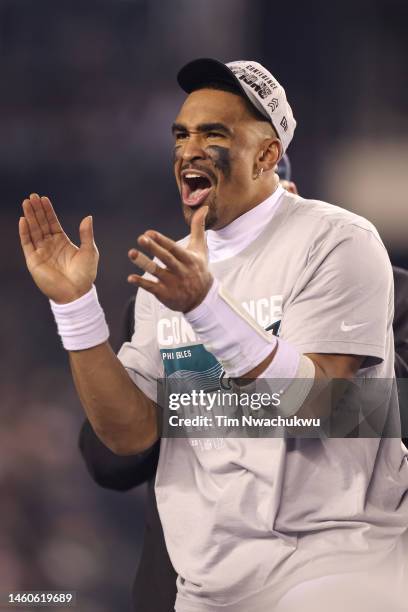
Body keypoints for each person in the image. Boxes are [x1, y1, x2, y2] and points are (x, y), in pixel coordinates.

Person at [19, 58, 408, 611]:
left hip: (334, 559)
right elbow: (126, 437)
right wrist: (76, 307)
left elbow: (327, 407)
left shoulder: (337, 241)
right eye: (181, 134)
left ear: (268, 155)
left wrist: (206, 310)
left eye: (213, 133)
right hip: (207, 582)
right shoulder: (167, 279)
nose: (187, 149)